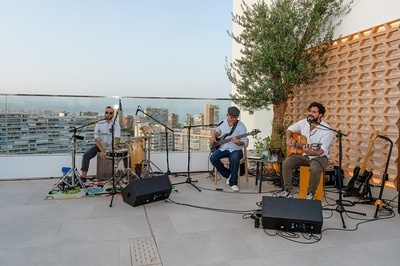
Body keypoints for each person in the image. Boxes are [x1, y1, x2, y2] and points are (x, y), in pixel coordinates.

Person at [282, 102, 334, 199]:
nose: (310, 113)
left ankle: (310, 194)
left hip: (319, 157)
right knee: (287, 163)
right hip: (305, 155)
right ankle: (288, 191)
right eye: (309, 111)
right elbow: (290, 129)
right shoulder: (304, 122)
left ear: (320, 115)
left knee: (314, 169)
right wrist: (288, 140)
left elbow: (321, 151)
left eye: (314, 112)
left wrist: (311, 152)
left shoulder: (327, 131)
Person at [210, 106, 248, 192]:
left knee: (234, 159)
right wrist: (213, 136)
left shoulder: (241, 126)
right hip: (224, 148)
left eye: (236, 117)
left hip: (236, 150)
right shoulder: (222, 123)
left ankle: (233, 183)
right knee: (213, 158)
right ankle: (228, 174)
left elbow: (245, 141)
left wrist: (239, 143)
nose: (234, 119)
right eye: (232, 117)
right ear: (227, 115)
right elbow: (218, 132)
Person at [81, 106, 123, 181]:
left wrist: (115, 146)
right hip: (100, 145)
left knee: (126, 154)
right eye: (106, 112)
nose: (108, 114)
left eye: (110, 113)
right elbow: (96, 139)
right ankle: (83, 177)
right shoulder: (99, 124)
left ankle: (130, 175)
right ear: (104, 113)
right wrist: (102, 150)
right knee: (86, 155)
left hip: (112, 145)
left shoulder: (116, 125)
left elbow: (117, 138)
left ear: (113, 114)